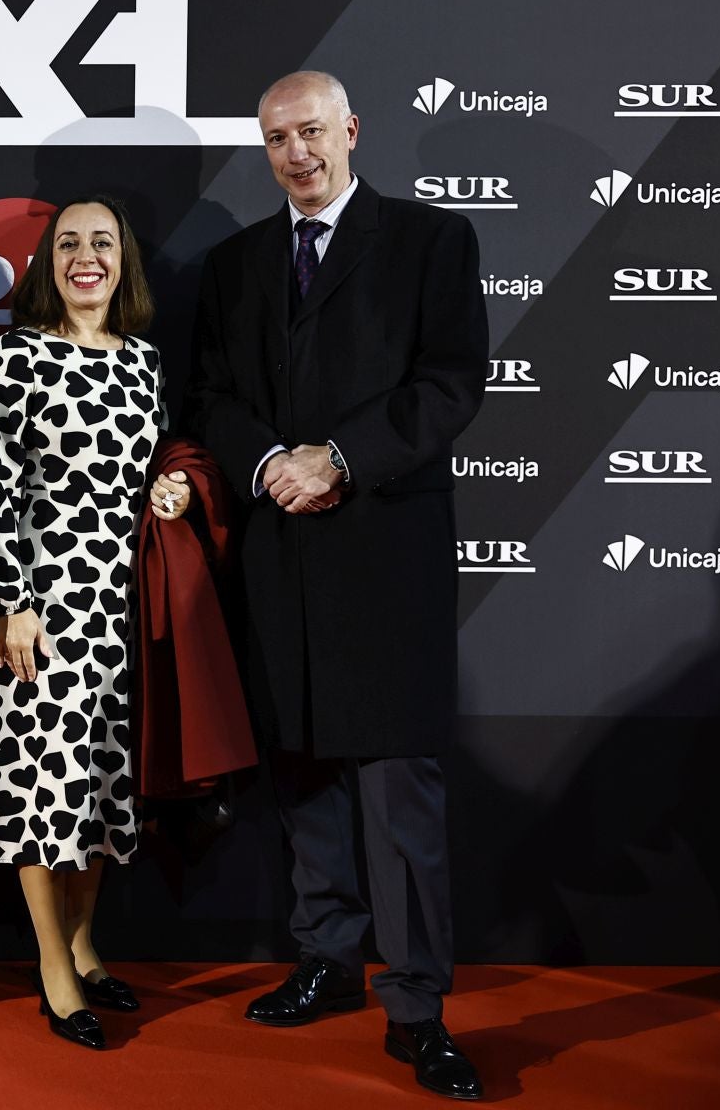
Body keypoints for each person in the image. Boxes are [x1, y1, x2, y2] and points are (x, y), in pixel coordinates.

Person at [183, 71, 488, 1101]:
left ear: (352, 129)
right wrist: (268, 458)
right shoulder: (232, 266)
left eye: (311, 130)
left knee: (398, 792)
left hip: (384, 556)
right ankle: (325, 956)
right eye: (276, 138)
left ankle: (417, 1005)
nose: (296, 152)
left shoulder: (430, 243)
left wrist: (337, 460)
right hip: (277, 560)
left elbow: (450, 384)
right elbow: (213, 392)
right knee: (302, 773)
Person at [0, 196, 187, 1049]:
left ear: (123, 260)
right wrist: (12, 602)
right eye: (68, 244)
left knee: (101, 786)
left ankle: (87, 943)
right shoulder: (14, 360)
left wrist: (170, 491)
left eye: (102, 242)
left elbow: (152, 469)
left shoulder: (144, 365)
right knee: (42, 786)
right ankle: (52, 964)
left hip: (123, 609)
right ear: (45, 264)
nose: (86, 257)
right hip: (43, 609)